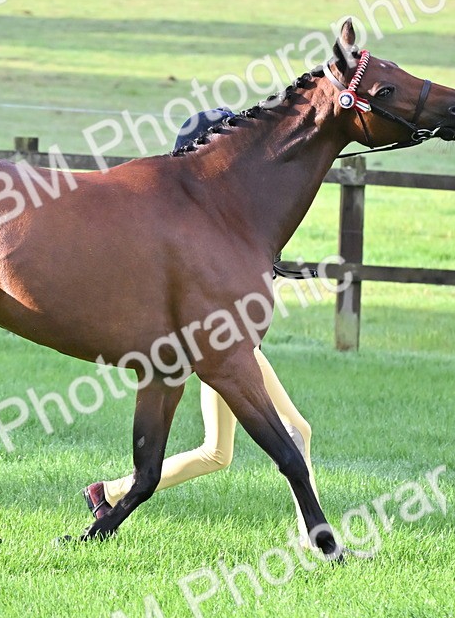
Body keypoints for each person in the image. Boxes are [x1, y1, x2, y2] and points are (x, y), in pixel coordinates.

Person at [82, 107, 322, 545]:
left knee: (217, 453)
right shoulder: (197, 220)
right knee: (295, 430)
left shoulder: (219, 214)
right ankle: (316, 536)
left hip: (219, 341)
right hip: (221, 345)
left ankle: (107, 491)